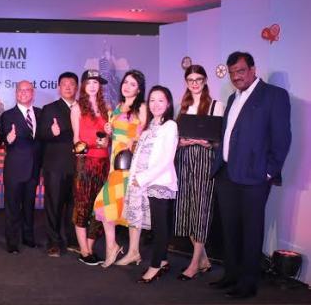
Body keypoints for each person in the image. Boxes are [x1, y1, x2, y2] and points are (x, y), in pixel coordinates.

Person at [210, 51, 291, 299]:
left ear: (253, 70)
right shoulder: (233, 98)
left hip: (254, 177)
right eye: (232, 73)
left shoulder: (274, 96)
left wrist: (268, 171)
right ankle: (231, 275)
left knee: (251, 231)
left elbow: (282, 138)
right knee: (230, 229)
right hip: (226, 174)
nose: (236, 76)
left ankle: (248, 283)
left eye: (241, 71)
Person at [173, 65, 224, 280]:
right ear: (186, 82)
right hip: (185, 159)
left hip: (205, 160)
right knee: (186, 208)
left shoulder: (216, 105)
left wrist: (209, 143)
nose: (194, 83)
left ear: (205, 81)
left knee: (202, 209)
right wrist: (181, 142)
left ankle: (194, 264)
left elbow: (221, 140)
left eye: (199, 79)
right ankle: (203, 259)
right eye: (191, 80)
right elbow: (175, 138)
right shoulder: (182, 106)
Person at [125, 86, 178, 283]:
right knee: (155, 225)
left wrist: (143, 178)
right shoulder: (148, 127)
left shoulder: (170, 126)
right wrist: (134, 179)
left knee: (160, 226)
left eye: (160, 100)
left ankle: (155, 266)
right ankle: (162, 261)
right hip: (144, 183)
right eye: (152, 100)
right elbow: (140, 156)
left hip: (160, 182)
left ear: (168, 104)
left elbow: (166, 160)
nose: (156, 104)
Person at [94, 70, 147, 267]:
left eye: (133, 84)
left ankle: (133, 251)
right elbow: (111, 139)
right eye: (126, 82)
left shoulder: (141, 107)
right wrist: (108, 133)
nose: (127, 86)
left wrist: (133, 141)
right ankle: (113, 246)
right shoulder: (116, 108)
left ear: (139, 89)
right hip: (115, 164)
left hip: (132, 165)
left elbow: (145, 134)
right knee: (106, 205)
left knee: (132, 207)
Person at [70, 70, 112, 265]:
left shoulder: (107, 108)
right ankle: (84, 251)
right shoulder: (77, 107)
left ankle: (90, 247)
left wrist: (108, 138)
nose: (93, 86)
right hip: (85, 163)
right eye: (89, 82)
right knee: (82, 205)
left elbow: (110, 138)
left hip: (104, 163)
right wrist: (93, 145)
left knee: (100, 207)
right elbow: (76, 139)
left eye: (96, 82)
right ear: (83, 86)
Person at [38, 72, 80, 257]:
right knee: (54, 205)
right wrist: (51, 132)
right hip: (56, 165)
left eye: (72, 84)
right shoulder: (49, 109)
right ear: (58, 87)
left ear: (77, 87)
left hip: (79, 165)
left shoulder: (83, 108)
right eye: (64, 84)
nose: (68, 87)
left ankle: (72, 240)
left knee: (74, 205)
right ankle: (53, 242)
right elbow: (40, 134)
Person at [0, 80, 43, 254]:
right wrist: (8, 139)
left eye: (27, 90)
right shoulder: (7, 115)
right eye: (20, 90)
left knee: (29, 205)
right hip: (14, 169)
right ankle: (12, 242)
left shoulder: (40, 113)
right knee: (12, 207)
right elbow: (1, 138)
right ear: (16, 93)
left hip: (34, 168)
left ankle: (28, 237)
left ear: (33, 93)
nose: (23, 93)